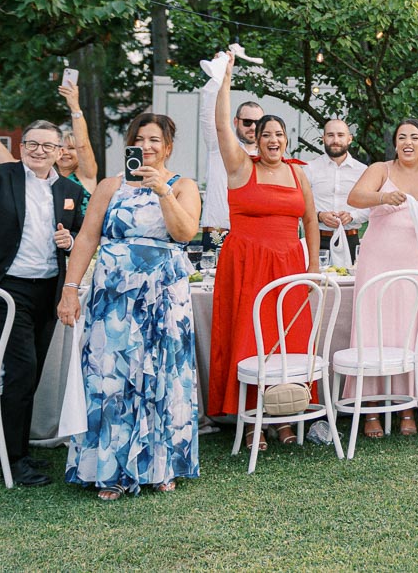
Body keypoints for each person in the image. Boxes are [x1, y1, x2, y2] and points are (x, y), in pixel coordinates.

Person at [56, 114, 202, 499]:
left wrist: (163, 192)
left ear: (168, 147)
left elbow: (185, 233)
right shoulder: (110, 186)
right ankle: (109, 469)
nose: (148, 146)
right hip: (114, 296)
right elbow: (87, 237)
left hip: (164, 297)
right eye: (140, 139)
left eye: (156, 140)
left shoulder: (183, 185)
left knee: (163, 375)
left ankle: (161, 465)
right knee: (110, 375)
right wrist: (71, 289)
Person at [0, 121, 86, 486]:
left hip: (48, 291)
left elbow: (81, 237)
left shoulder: (70, 189)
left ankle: (16, 443)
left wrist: (69, 241)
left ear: (60, 152)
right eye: (32, 143)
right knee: (22, 368)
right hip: (6, 289)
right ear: (22, 146)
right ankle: (16, 458)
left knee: (34, 369)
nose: (39, 151)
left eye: (48, 146)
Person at [205, 53, 320, 447]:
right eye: (266, 134)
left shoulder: (297, 171)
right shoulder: (241, 166)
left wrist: (315, 265)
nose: (273, 140)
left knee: (287, 340)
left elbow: (310, 220)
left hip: (290, 263)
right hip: (247, 262)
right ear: (256, 138)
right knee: (249, 339)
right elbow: (222, 125)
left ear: (286, 140)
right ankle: (251, 419)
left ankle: (284, 414)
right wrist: (226, 79)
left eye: (279, 135)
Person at [347, 119, 418, 438]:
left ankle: (409, 406)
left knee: (412, 334)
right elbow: (355, 197)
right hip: (377, 260)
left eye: (414, 137)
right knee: (373, 332)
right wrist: (383, 198)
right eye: (401, 137)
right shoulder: (381, 169)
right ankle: (370, 409)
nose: (408, 142)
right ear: (395, 144)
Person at [199, 64, 262, 245]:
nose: (253, 127)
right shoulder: (218, 145)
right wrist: (222, 78)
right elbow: (208, 115)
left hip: (253, 232)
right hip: (218, 230)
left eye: (258, 122)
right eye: (248, 122)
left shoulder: (268, 156)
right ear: (236, 122)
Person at [304, 119, 370, 264]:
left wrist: (352, 216)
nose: (335, 140)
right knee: (317, 285)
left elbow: (371, 208)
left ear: (349, 139)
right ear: (323, 139)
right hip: (317, 241)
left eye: (340, 135)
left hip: (351, 240)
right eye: (330, 135)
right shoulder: (309, 168)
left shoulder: (363, 171)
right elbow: (299, 205)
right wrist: (319, 216)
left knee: (351, 284)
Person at [57, 80, 99, 210]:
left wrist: (74, 107)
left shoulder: (86, 175)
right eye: (60, 147)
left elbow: (83, 146)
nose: (64, 152)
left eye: (71, 148)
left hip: (82, 231)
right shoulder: (47, 177)